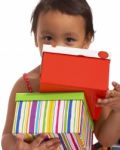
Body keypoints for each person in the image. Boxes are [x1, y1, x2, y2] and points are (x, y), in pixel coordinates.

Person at [1, 0, 120, 149]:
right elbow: (6, 137)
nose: (57, 47)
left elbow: (105, 139)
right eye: (48, 38)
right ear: (35, 38)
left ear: (86, 40)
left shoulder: (93, 83)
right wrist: (19, 147)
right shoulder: (25, 83)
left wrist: (117, 111)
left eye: (69, 39)